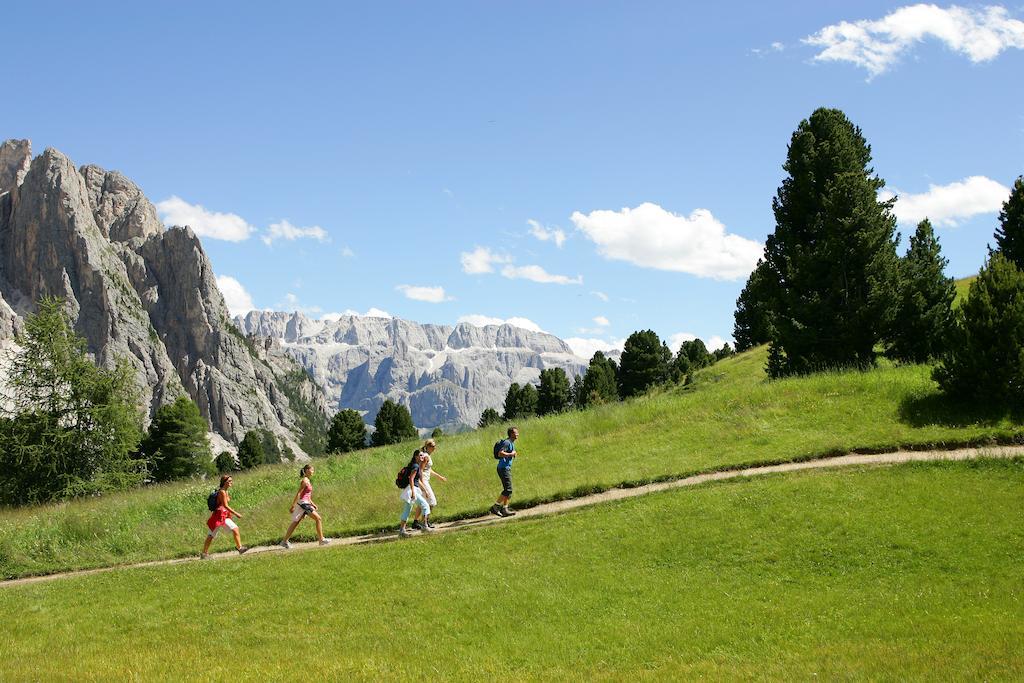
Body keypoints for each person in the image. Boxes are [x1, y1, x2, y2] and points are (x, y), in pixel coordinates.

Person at [280, 463, 329, 548]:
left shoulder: (308, 480)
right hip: (303, 503)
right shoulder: (304, 481)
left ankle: (284, 541)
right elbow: (299, 493)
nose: (313, 471)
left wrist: (313, 504)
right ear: (307, 470)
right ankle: (321, 540)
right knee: (318, 518)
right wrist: (293, 506)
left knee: (296, 522)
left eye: (313, 470)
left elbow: (307, 495)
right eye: (311, 469)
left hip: (305, 503)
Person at [202, 474, 248, 558]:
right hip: (218, 516)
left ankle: (240, 548)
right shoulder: (222, 492)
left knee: (235, 529)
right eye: (229, 481)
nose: (231, 482)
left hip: (224, 515)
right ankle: (204, 554)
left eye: (231, 480)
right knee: (211, 535)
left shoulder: (225, 491)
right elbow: (225, 505)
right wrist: (236, 513)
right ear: (224, 482)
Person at [411, 439, 447, 531]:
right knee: (432, 502)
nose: (435, 448)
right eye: (433, 446)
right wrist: (423, 485)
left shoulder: (426, 455)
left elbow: (428, 470)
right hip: (423, 481)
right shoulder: (426, 456)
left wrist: (440, 477)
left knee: (423, 502)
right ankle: (425, 522)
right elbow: (421, 471)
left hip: (423, 481)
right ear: (429, 447)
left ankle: (416, 522)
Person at [398, 449, 433, 538]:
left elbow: (417, 480)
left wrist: (425, 490)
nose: (422, 457)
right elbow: (411, 479)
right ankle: (425, 526)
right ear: (416, 456)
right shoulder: (415, 466)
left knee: (407, 510)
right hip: (412, 490)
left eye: (423, 455)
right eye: (420, 455)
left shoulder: (416, 465)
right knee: (425, 505)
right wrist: (413, 492)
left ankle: (402, 531)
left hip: (411, 489)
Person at [490, 426, 518, 517]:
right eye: (515, 432)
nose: (517, 434)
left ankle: (505, 509)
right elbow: (500, 453)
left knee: (508, 490)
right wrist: (511, 454)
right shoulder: (507, 442)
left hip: (505, 468)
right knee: (508, 489)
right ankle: (495, 507)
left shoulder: (511, 443)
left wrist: (512, 454)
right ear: (511, 434)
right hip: (503, 468)